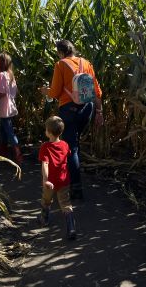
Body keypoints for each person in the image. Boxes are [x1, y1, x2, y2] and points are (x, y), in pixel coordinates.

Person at [40, 39, 103, 200]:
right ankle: (72, 175)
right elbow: (96, 90)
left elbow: (54, 93)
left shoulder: (60, 65)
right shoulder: (86, 63)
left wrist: (45, 91)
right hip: (87, 108)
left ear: (61, 52)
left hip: (69, 109)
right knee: (75, 143)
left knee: (72, 148)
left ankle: (76, 189)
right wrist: (99, 111)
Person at [38, 116, 76, 240]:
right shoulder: (65, 145)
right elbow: (67, 156)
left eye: (45, 130)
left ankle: (44, 219)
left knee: (46, 200)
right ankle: (71, 228)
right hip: (64, 180)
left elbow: (45, 164)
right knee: (65, 203)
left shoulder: (45, 147)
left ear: (48, 132)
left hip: (51, 181)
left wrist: (45, 179)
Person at [0, 52, 23, 165]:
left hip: (4, 107)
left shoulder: (2, 75)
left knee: (9, 131)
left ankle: (17, 153)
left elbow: (1, 93)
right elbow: (15, 91)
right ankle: (3, 151)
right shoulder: (10, 74)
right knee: (3, 129)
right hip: (11, 105)